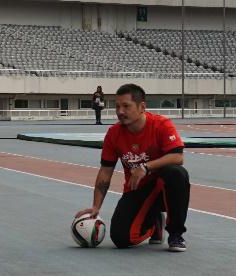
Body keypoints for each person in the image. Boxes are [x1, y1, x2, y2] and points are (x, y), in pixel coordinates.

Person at [76, 83, 189, 252]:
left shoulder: (161, 125)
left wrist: (145, 168)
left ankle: (175, 233)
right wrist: (96, 206)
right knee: (120, 238)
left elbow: (177, 157)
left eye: (126, 106)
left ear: (142, 107)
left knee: (176, 173)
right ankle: (153, 224)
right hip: (137, 189)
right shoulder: (114, 134)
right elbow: (106, 171)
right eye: (117, 106)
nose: (120, 111)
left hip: (164, 187)